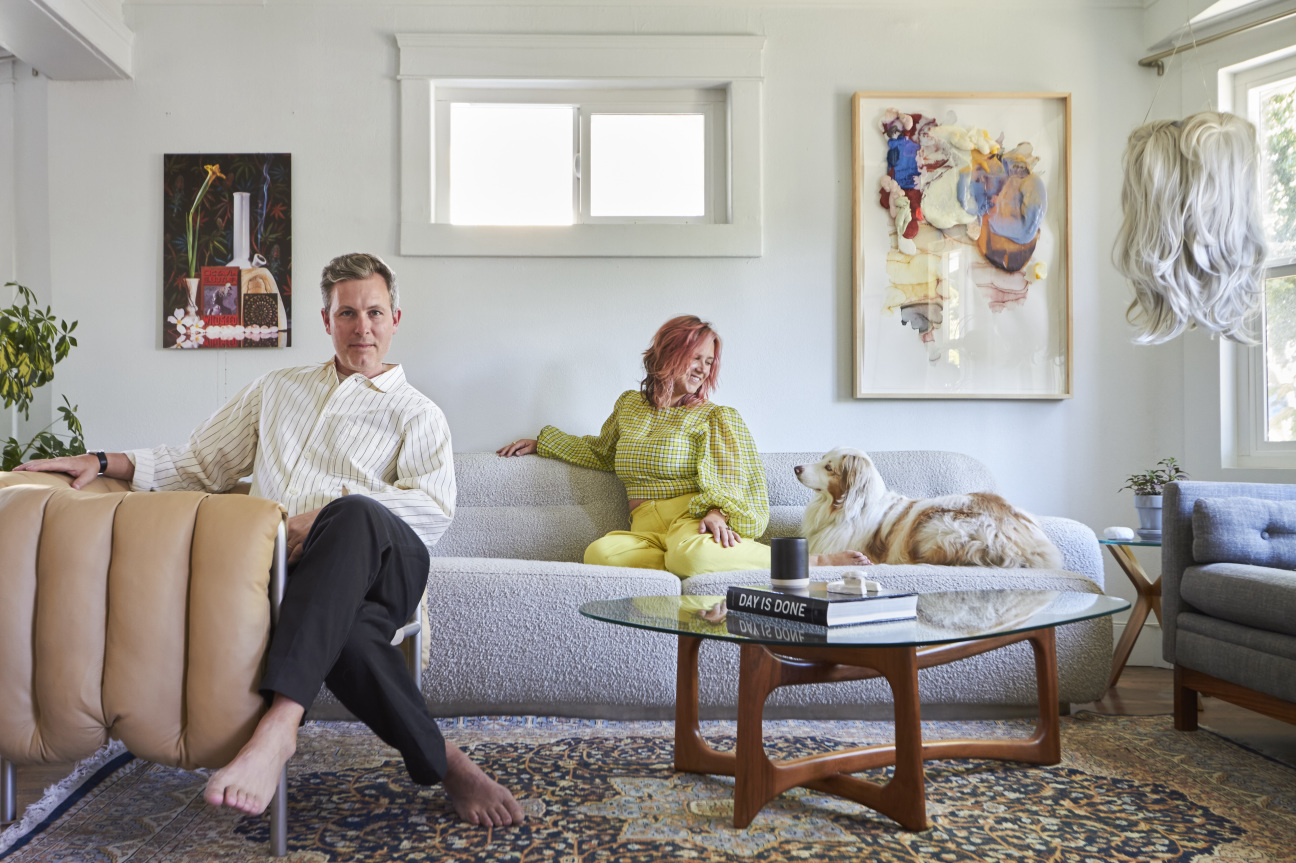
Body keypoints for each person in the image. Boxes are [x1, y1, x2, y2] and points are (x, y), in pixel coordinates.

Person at [15, 252, 524, 828]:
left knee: (353, 512)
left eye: (375, 313)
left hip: (384, 563)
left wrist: (325, 514)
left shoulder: (418, 413)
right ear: (326, 320)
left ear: (396, 318)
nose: (363, 328)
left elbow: (433, 509)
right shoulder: (276, 390)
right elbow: (201, 462)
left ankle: (278, 729)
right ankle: (448, 762)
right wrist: (107, 459)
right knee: (351, 641)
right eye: (348, 313)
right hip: (288, 569)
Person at [497, 315, 868, 576]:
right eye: (696, 358)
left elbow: (731, 477)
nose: (704, 369)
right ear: (670, 353)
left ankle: (815, 564)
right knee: (600, 553)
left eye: (710, 362)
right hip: (643, 528)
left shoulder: (714, 417)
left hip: (689, 520)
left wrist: (718, 513)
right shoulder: (629, 405)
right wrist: (544, 442)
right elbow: (602, 452)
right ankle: (691, 562)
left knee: (690, 556)